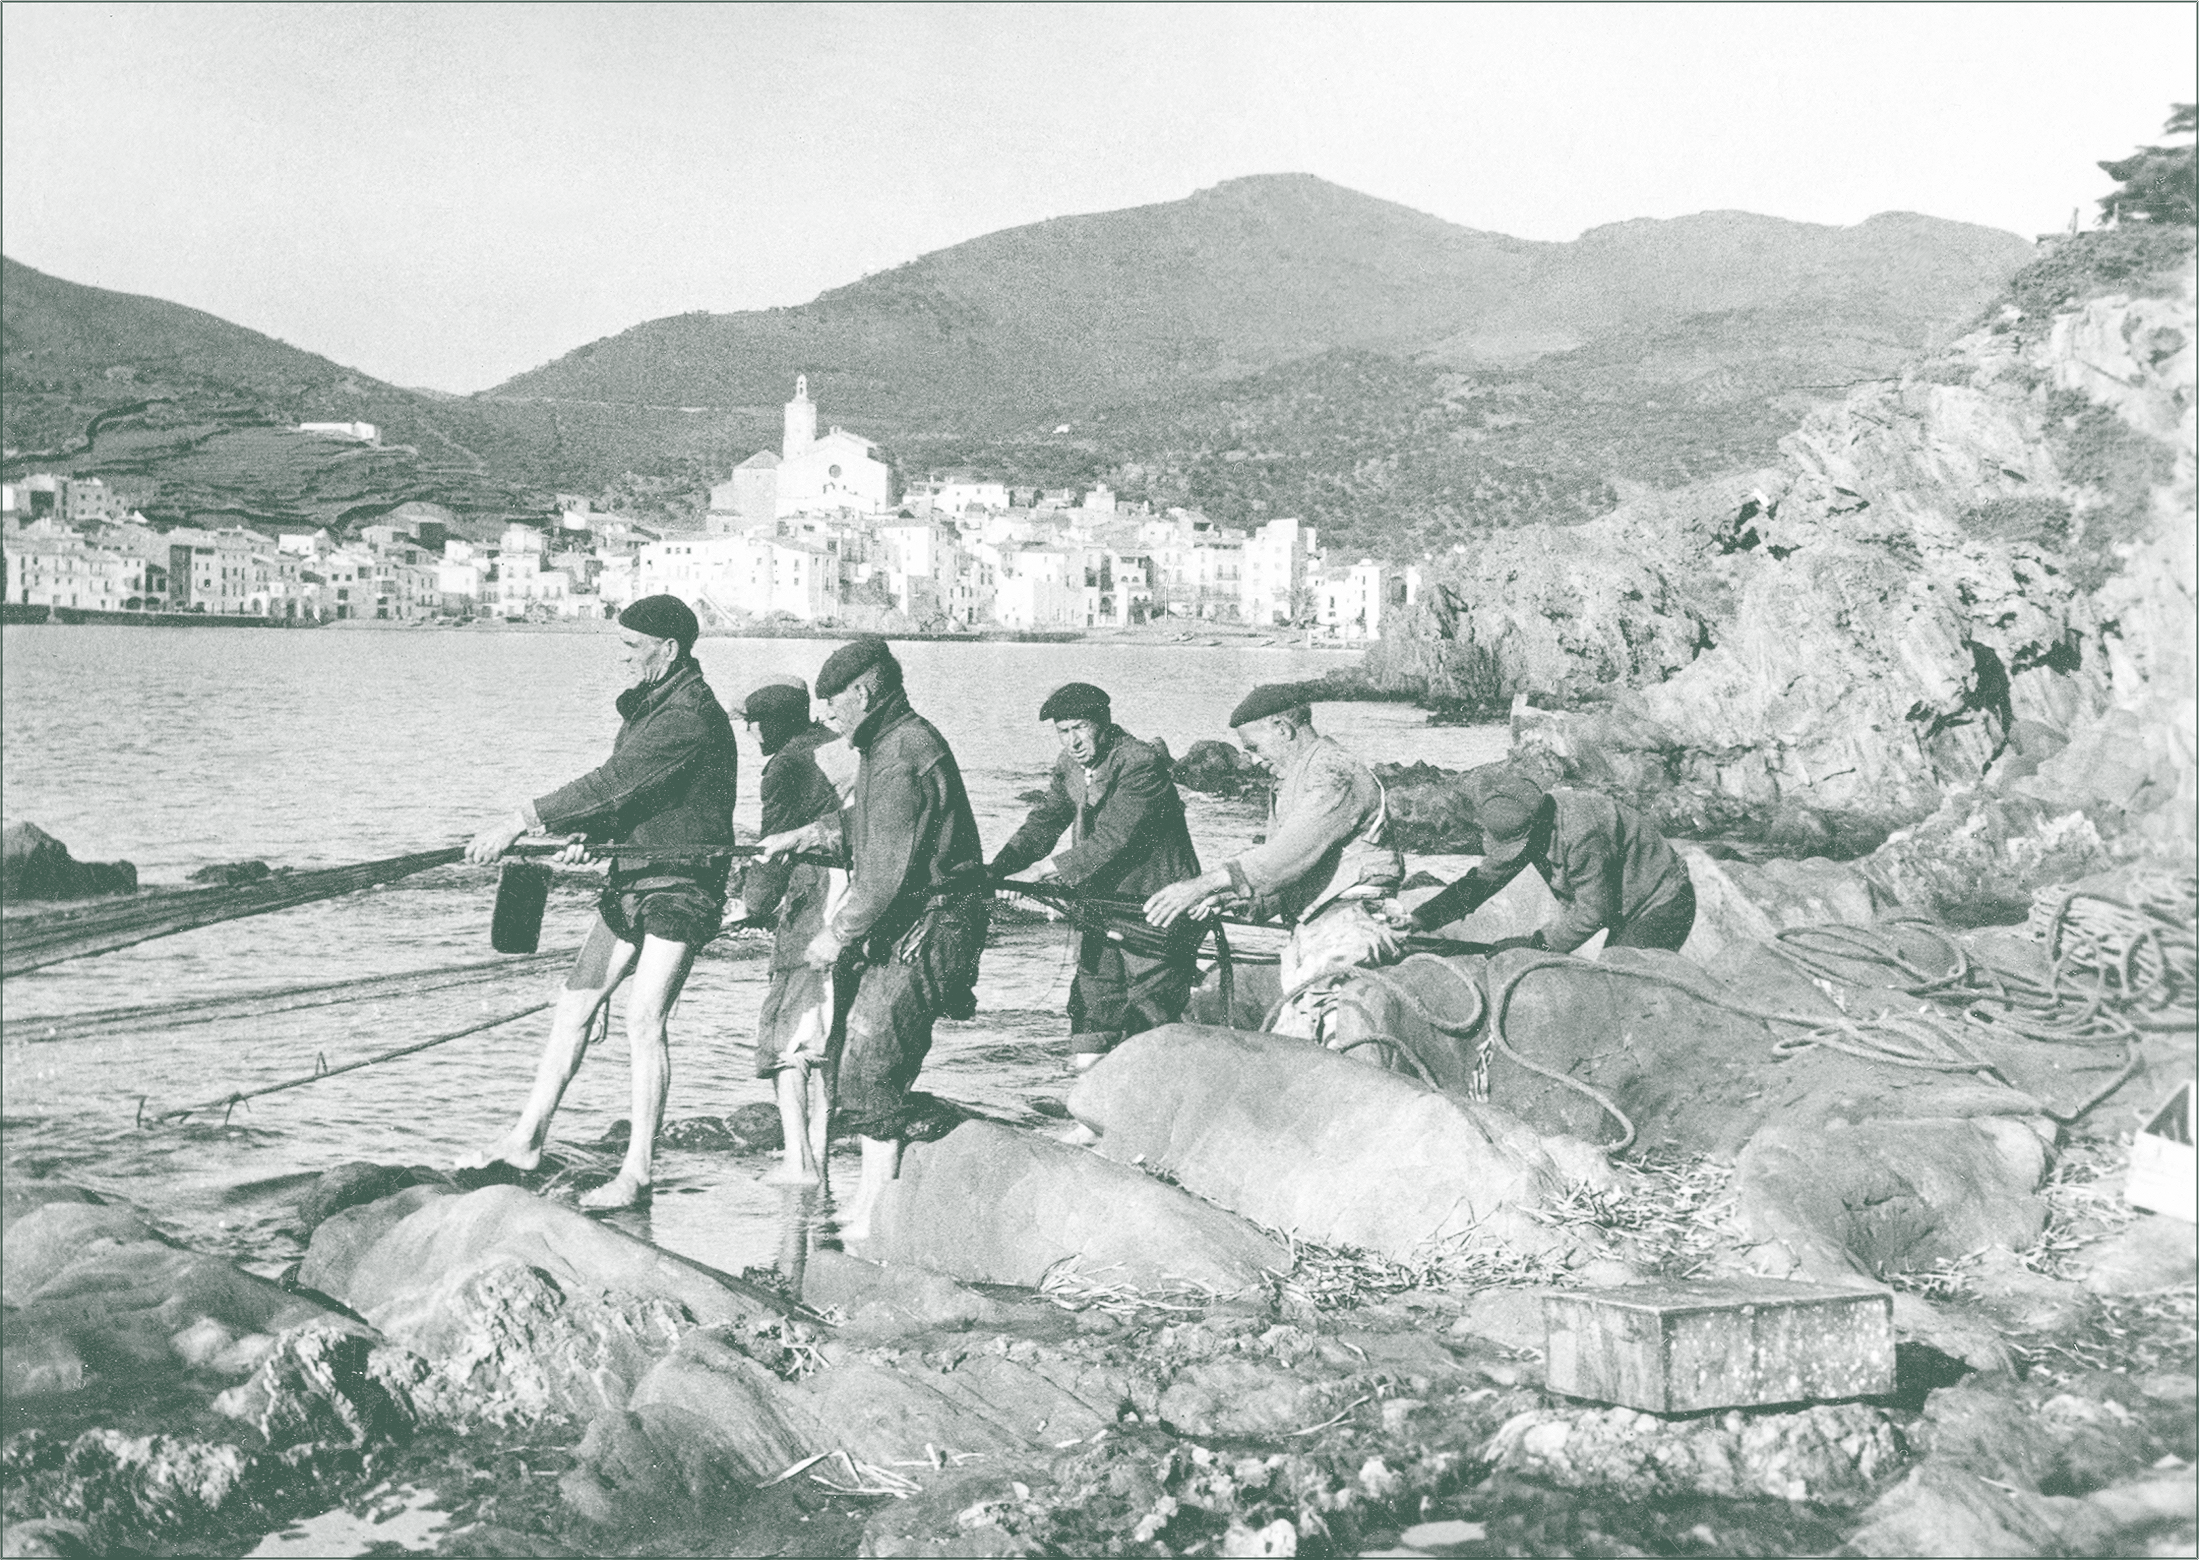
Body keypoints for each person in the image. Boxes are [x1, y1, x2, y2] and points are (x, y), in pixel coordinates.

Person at [459, 594, 737, 1211]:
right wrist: (589, 837)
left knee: (644, 1021)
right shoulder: (651, 707)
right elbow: (633, 796)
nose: (626, 659)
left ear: (668, 649)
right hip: (634, 876)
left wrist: (520, 819)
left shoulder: (690, 713)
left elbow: (615, 782)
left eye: (634, 648)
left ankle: (637, 1174)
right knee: (574, 1006)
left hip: (681, 885)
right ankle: (526, 1139)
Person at [761, 636, 987, 1239]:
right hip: (922, 918)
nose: (827, 717)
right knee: (859, 1059)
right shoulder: (889, 741)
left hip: (932, 924)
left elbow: (884, 871)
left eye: (833, 704)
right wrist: (803, 836)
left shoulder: (897, 753)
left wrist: (834, 937)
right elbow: (864, 824)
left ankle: (877, 1215)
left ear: (863, 692)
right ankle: (869, 1204)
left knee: (873, 1056)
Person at [1143, 684, 1405, 1041]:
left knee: (1320, 1041)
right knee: (1293, 1040)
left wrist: (1202, 885)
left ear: (1283, 728)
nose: (1251, 759)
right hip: (1314, 931)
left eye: (1253, 746)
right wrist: (1228, 900)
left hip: (1350, 927)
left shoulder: (1334, 775)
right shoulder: (1296, 779)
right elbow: (1289, 878)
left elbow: (1282, 860)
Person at [988, 681, 1202, 1069]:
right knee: (1092, 1007)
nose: (1072, 742)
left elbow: (1111, 839)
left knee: (1151, 1016)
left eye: (1080, 728)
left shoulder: (1140, 763)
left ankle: (1146, 1108)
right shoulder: (1070, 764)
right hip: (1100, 910)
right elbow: (1045, 822)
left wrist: (1040, 872)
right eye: (1063, 731)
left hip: (1155, 911)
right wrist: (998, 871)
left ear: (1104, 722)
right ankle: (1087, 1109)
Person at [730, 675, 850, 1186]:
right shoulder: (839, 743)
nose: (752, 735)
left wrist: (749, 905)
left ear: (774, 720)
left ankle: (799, 1165)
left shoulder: (786, 764)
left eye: (755, 724)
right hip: (856, 897)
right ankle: (818, 1156)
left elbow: (774, 846)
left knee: (786, 1033)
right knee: (828, 1031)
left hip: (816, 894)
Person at [1408, 768, 1696, 952]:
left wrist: (1535, 944)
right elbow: (1483, 881)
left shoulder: (1582, 833)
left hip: (1660, 901)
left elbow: (1594, 913)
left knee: (1621, 982)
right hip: (1624, 901)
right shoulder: (1530, 821)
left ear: (1532, 831)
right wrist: (1421, 917)